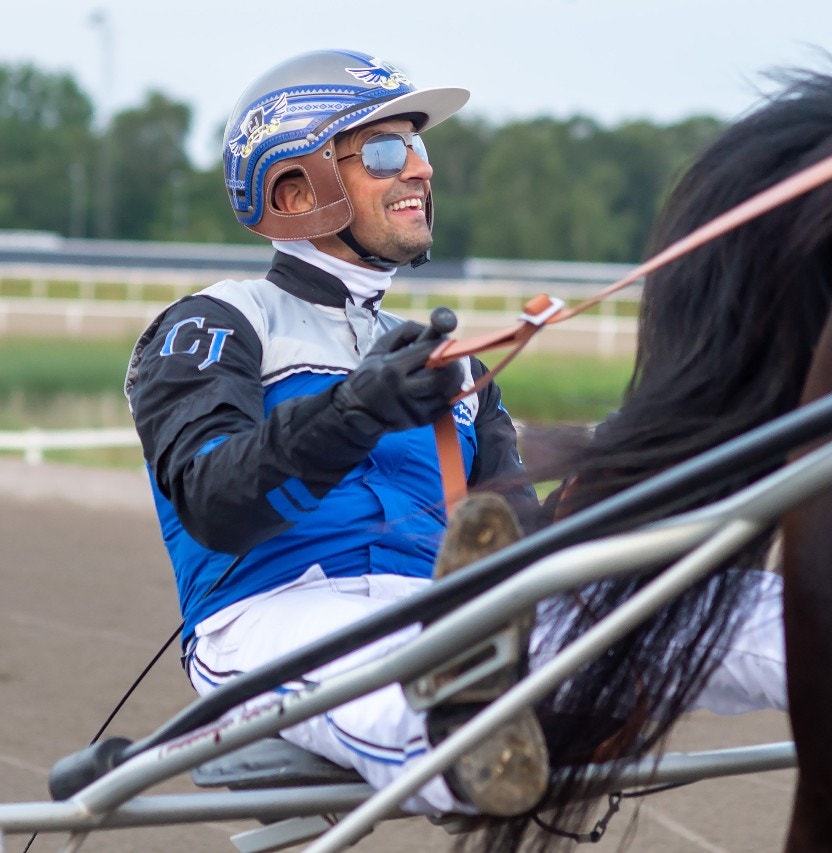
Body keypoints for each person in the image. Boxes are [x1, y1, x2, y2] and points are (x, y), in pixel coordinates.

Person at [123, 48, 791, 822]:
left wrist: (630, 465)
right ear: (296, 186)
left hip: (453, 616)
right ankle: (481, 731)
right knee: (424, 670)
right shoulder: (216, 322)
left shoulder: (451, 366)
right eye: (384, 150)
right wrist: (356, 410)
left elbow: (526, 546)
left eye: (420, 146)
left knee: (743, 607)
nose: (419, 169)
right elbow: (215, 503)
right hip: (275, 618)